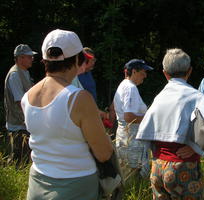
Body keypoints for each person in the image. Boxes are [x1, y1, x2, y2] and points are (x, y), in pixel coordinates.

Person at [21, 29, 113, 200]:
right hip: (76, 185)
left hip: (37, 181)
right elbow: (103, 153)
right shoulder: (79, 98)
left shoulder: (28, 96)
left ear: (44, 59)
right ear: (78, 59)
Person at [136, 48, 204, 199]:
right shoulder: (194, 96)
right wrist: (193, 146)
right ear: (189, 71)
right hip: (183, 167)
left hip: (157, 167)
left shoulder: (159, 97)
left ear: (165, 73)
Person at [113, 59, 153, 179]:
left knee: (126, 175)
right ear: (134, 71)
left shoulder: (123, 85)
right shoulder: (131, 88)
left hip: (124, 137)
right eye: (143, 72)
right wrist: (149, 118)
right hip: (132, 140)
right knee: (135, 177)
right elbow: (129, 116)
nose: (145, 75)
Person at [4, 44, 37, 165]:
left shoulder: (24, 72)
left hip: (24, 124)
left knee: (25, 158)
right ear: (21, 58)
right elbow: (20, 101)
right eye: (29, 57)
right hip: (18, 125)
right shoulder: (15, 75)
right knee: (18, 159)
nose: (32, 59)